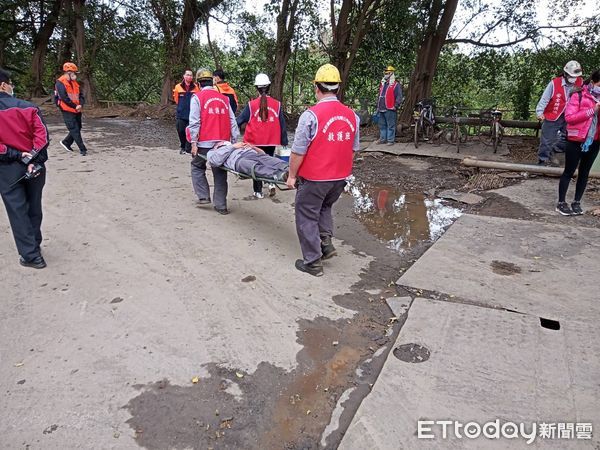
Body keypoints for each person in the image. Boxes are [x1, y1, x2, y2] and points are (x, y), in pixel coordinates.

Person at [286, 64, 360, 277]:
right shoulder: (352, 116)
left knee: (306, 214)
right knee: (324, 208)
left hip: (315, 178)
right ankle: (325, 244)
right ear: (337, 88)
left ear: (317, 87)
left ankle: (313, 262)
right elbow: (353, 149)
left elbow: (298, 152)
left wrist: (292, 176)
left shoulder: (311, 116)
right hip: (339, 178)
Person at [0, 68, 49, 268]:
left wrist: (16, 155)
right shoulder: (28, 107)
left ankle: (31, 256)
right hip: (34, 165)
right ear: (4, 85)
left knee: (17, 209)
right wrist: (32, 158)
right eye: (11, 83)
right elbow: (43, 136)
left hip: (7, 168)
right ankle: (35, 243)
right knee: (34, 205)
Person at [187, 68, 239, 215]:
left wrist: (194, 143)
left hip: (204, 143)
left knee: (197, 166)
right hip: (222, 143)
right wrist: (234, 142)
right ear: (213, 81)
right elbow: (232, 122)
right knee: (220, 172)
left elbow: (195, 122)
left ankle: (203, 196)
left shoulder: (197, 98)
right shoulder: (224, 99)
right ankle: (221, 205)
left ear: (199, 83)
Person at [236, 73, 288, 198]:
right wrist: (284, 140)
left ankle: (258, 192)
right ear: (269, 86)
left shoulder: (251, 105)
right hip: (271, 140)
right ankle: (271, 183)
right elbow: (282, 123)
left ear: (256, 88)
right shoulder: (277, 104)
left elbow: (239, 120)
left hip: (255, 141)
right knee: (270, 162)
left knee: (257, 165)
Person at [556, 70, 600, 216]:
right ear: (593, 81)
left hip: (595, 140)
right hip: (576, 140)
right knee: (569, 171)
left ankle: (577, 201)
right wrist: (592, 110)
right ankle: (561, 203)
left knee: (584, 173)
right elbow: (569, 118)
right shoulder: (579, 95)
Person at [536, 61, 584, 165]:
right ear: (565, 74)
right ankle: (543, 160)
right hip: (553, 114)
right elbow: (545, 98)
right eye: (571, 76)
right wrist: (540, 112)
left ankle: (554, 151)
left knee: (567, 137)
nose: (574, 78)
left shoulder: (580, 82)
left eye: (575, 76)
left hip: (570, 115)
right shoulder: (555, 83)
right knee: (547, 139)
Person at [206, 141, 288, 181]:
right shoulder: (212, 151)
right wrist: (233, 147)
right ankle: (278, 175)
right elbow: (216, 161)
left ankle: (288, 168)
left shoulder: (230, 142)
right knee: (250, 165)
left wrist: (253, 147)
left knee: (266, 158)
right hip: (237, 160)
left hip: (250, 153)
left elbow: (263, 153)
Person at [55, 62, 88, 156]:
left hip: (77, 109)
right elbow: (64, 98)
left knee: (78, 127)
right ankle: (83, 149)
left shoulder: (74, 83)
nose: (75, 74)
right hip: (67, 109)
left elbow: (80, 95)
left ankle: (66, 142)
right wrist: (75, 106)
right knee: (74, 129)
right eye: (74, 72)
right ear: (68, 72)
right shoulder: (60, 82)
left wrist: (80, 104)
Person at [173, 69, 199, 155]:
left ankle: (188, 148)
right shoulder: (178, 87)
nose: (189, 77)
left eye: (191, 75)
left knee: (191, 131)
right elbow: (176, 99)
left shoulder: (196, 87)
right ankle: (182, 147)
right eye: (187, 75)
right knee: (180, 130)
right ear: (184, 76)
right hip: (181, 113)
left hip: (192, 114)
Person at [376, 65, 402, 145]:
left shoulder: (395, 85)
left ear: (391, 73)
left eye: (388, 73)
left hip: (390, 108)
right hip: (381, 107)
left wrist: (396, 105)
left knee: (391, 125)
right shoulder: (382, 84)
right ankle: (383, 139)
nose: (386, 74)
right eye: (385, 73)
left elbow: (399, 96)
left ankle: (390, 140)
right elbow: (379, 95)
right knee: (382, 125)